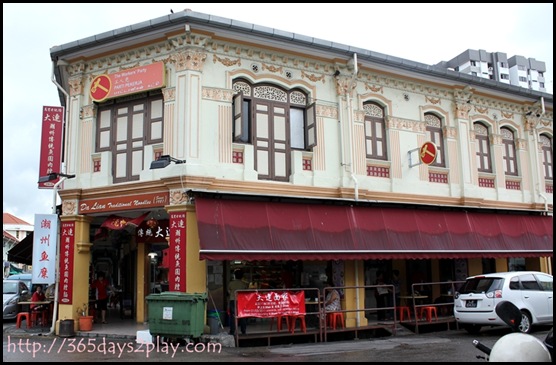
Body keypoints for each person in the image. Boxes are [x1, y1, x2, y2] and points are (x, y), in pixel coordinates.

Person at [228, 269, 248, 335]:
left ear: (235, 276)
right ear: (242, 276)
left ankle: (232, 331)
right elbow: (246, 292)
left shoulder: (231, 283)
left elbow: (228, 291)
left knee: (233, 316)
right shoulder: (244, 284)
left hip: (233, 300)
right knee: (242, 316)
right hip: (241, 301)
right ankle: (243, 331)